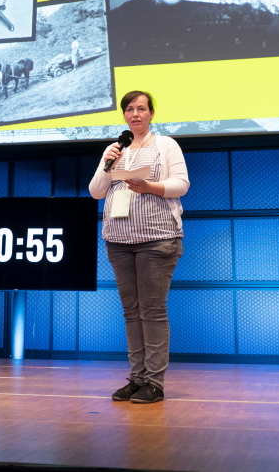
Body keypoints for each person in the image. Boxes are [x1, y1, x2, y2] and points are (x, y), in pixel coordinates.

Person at [88, 90, 189, 405]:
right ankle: (137, 379)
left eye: (141, 109)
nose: (135, 114)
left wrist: (150, 187)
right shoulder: (115, 149)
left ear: (151, 114)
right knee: (131, 312)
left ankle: (154, 383)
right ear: (124, 116)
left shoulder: (165, 145)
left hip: (157, 239)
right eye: (129, 109)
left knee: (152, 311)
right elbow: (95, 192)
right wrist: (107, 165)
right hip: (118, 241)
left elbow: (181, 184)